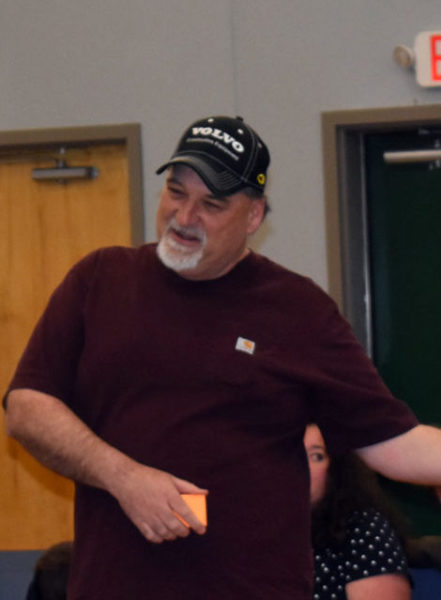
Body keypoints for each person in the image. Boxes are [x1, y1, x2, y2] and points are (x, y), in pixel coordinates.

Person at [3, 114, 441, 600]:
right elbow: (26, 407)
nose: (185, 217)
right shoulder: (100, 281)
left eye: (211, 204)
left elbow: (394, 444)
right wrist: (123, 478)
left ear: (253, 217)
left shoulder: (299, 311)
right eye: (175, 192)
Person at [304, 423, 412, 599]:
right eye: (291, 455)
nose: (303, 468)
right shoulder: (254, 529)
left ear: (336, 469)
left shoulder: (363, 529)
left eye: (316, 456)